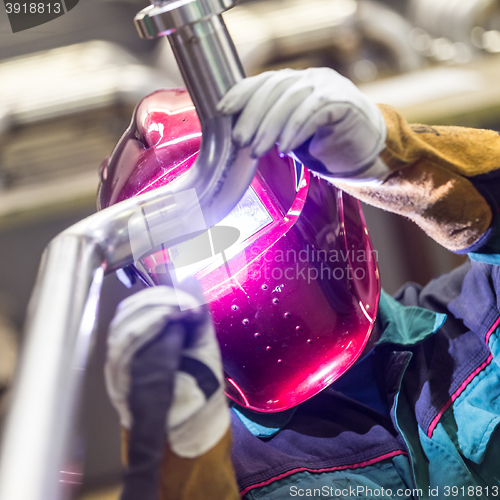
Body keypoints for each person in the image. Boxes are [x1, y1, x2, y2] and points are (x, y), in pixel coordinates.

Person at [101, 67, 500, 500]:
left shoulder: (474, 321)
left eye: (239, 207)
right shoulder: (222, 469)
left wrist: (397, 160)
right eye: (184, 243)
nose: (222, 251)